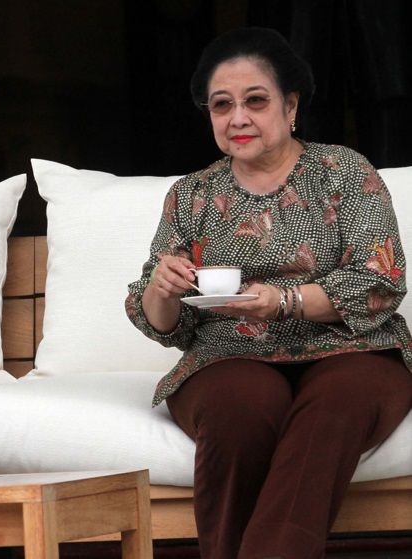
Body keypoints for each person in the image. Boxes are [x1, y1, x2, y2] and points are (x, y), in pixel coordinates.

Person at [125, 27, 412, 559]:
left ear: (291, 105)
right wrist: (163, 289)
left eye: (255, 100)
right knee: (239, 410)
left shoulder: (345, 172)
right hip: (229, 354)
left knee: (335, 405)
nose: (238, 118)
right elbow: (164, 323)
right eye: (222, 105)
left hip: (352, 350)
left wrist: (284, 301)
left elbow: (380, 279)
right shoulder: (191, 194)